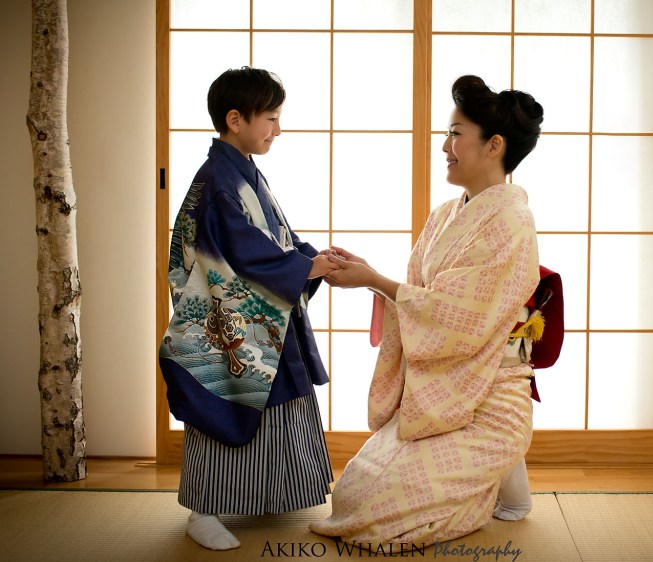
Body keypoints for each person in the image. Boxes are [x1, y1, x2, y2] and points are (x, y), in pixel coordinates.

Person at [309, 75, 544, 547]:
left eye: (456, 134)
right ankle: (494, 480)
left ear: (494, 145)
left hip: (489, 395)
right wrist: (369, 276)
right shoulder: (444, 215)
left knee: (373, 513)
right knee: (352, 493)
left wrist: (373, 280)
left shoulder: (513, 221)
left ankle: (493, 479)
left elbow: (457, 316)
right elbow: (420, 297)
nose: (444, 146)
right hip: (445, 392)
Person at [158, 67, 337, 551]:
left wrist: (309, 257)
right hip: (228, 320)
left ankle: (267, 495)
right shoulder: (219, 180)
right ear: (235, 119)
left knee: (273, 404)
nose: (277, 129)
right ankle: (202, 510)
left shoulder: (241, 171)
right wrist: (305, 267)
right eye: (271, 119)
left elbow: (272, 239)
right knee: (228, 401)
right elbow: (242, 252)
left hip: (257, 312)